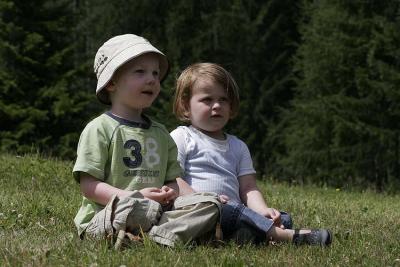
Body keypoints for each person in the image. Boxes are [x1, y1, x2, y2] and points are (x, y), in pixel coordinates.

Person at [73, 35, 221, 249]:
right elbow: (89, 186)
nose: (152, 79)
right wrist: (134, 197)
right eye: (140, 72)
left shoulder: (161, 134)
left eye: (155, 73)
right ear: (112, 82)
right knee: (133, 208)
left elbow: (172, 181)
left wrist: (170, 192)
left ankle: (156, 237)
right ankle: (161, 235)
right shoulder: (99, 129)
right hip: (110, 214)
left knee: (209, 204)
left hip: (157, 213)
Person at [170, 62, 332, 246]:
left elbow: (248, 188)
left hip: (234, 214)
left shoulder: (238, 146)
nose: (217, 105)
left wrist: (263, 210)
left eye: (223, 99)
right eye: (207, 99)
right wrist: (206, 200)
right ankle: (290, 237)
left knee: (281, 217)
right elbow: (174, 180)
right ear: (185, 105)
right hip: (199, 213)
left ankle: (246, 235)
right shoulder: (182, 137)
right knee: (231, 210)